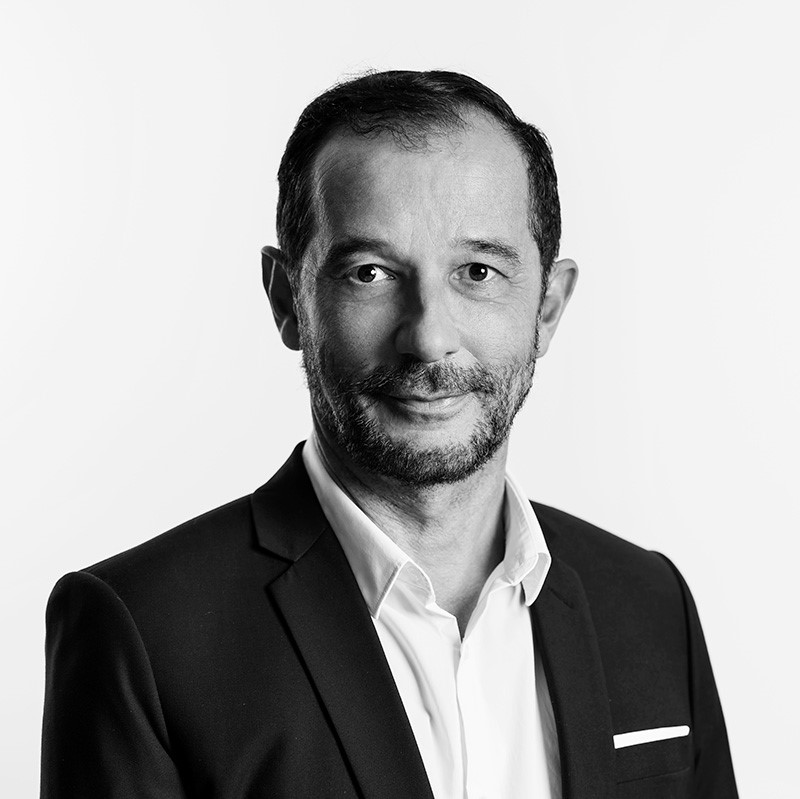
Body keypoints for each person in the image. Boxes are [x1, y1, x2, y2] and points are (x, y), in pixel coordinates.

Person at [40, 70, 738, 799]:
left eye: (478, 271)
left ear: (549, 307)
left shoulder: (651, 605)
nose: (429, 338)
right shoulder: (143, 633)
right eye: (370, 273)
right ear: (287, 299)